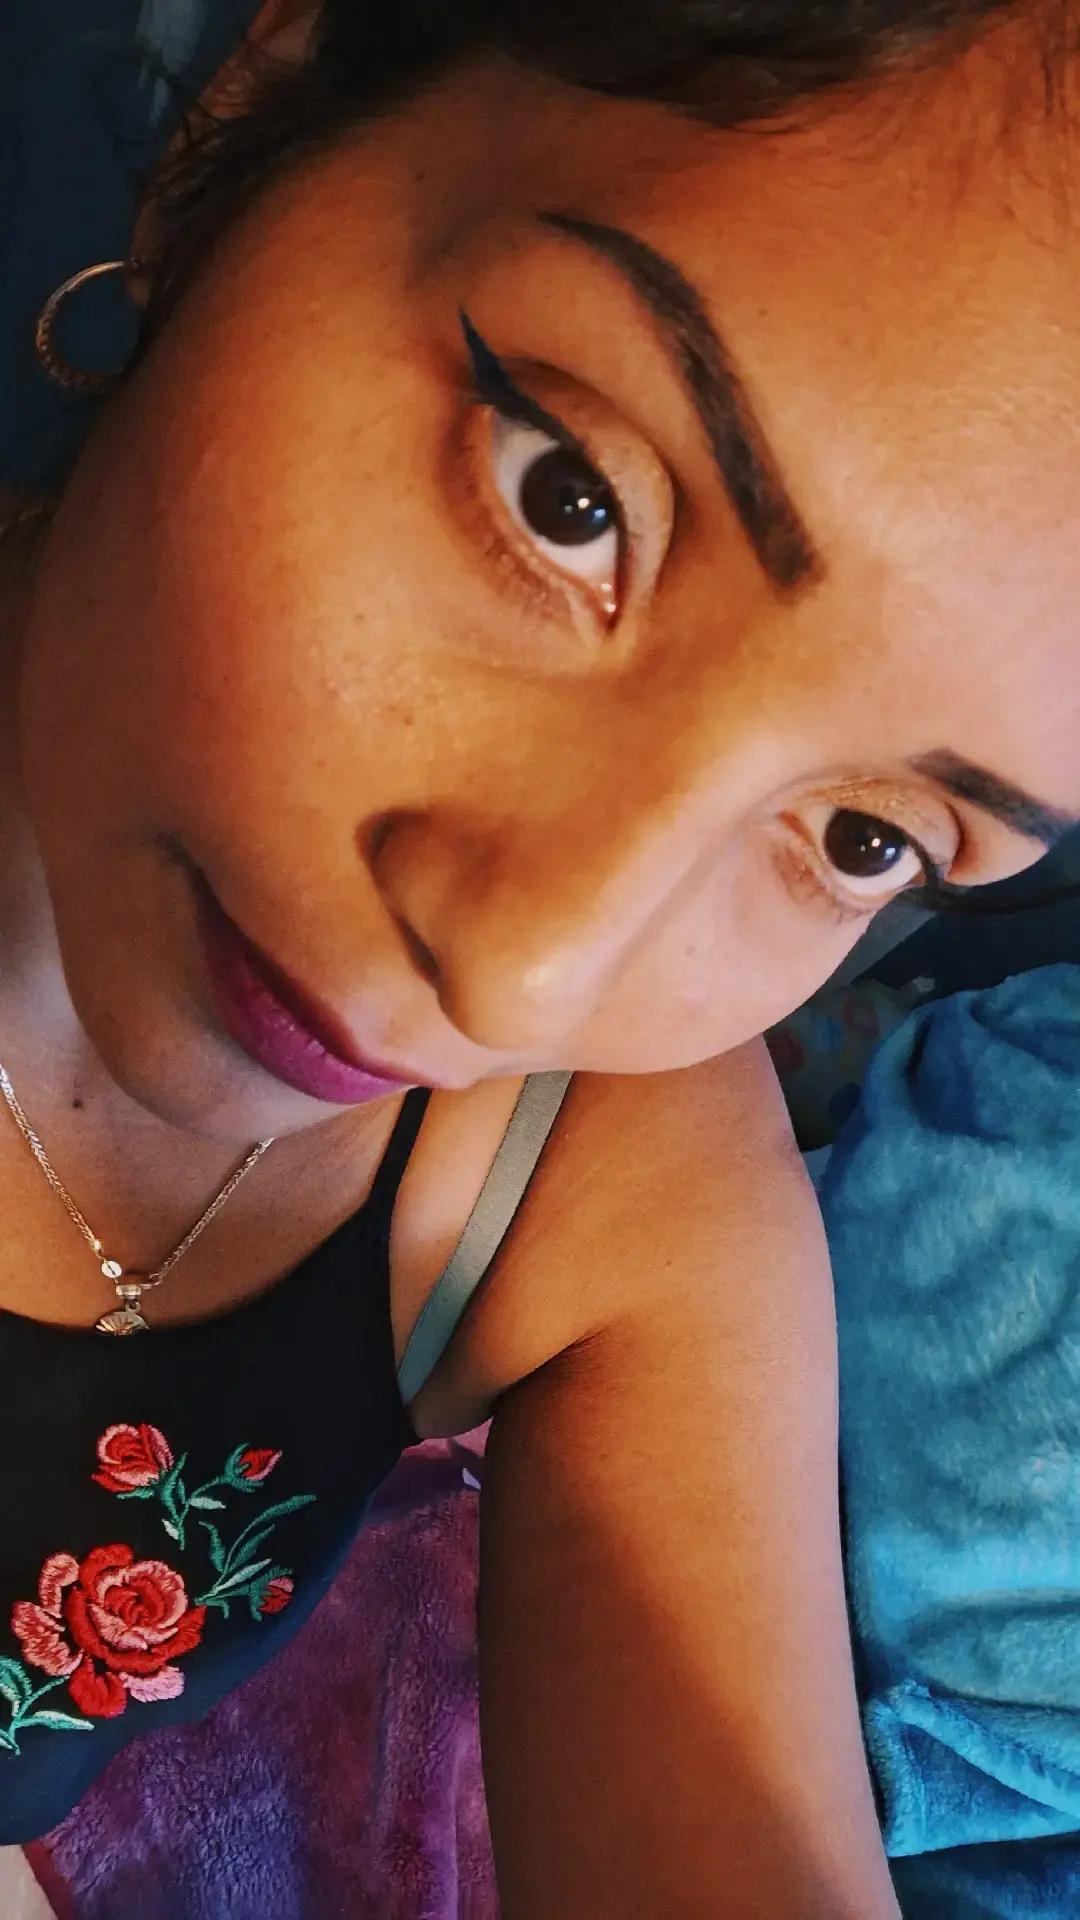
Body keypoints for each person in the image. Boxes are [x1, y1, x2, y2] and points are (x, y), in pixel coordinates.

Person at [1, 0, 1077, 1910]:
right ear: (264, 110)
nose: (526, 976)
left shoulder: (593, 1181)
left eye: (863, 839)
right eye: (567, 500)